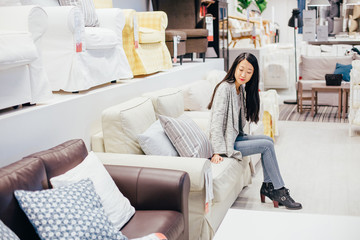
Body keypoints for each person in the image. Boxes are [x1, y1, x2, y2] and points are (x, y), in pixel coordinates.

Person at [207, 52, 302, 210]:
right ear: (234, 68)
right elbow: (216, 122)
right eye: (241, 69)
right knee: (266, 146)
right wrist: (217, 151)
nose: (243, 74)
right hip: (227, 145)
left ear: (253, 74)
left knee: (268, 140)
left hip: (236, 138)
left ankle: (268, 185)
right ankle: (278, 190)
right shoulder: (225, 88)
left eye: (249, 72)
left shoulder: (240, 89)